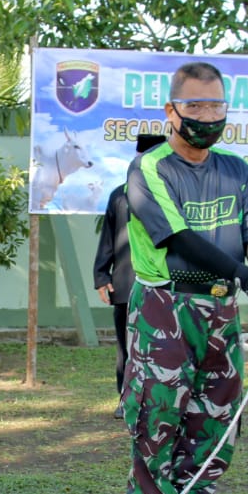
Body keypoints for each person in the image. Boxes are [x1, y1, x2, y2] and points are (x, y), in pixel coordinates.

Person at [123, 61, 248, 494]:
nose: (207, 116)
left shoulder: (236, 170)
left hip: (220, 311)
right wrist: (241, 271)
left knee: (214, 416)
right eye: (195, 105)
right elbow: (177, 239)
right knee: (159, 416)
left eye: (216, 105)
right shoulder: (148, 169)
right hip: (165, 308)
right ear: (171, 110)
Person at [93, 135, 163, 420]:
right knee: (126, 347)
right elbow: (109, 237)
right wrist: (101, 275)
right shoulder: (119, 195)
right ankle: (126, 399)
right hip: (125, 284)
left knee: (162, 346)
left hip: (163, 285)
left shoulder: (172, 194)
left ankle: (159, 401)